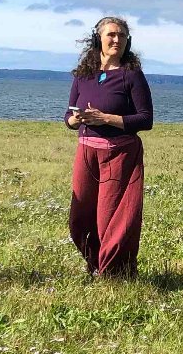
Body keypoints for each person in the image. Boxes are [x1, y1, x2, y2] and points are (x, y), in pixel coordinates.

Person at [64, 16, 154, 277]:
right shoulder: (83, 75)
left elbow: (145, 119)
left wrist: (106, 119)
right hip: (86, 151)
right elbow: (67, 118)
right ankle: (95, 265)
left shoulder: (132, 75)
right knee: (80, 217)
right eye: (111, 35)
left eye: (122, 36)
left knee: (112, 218)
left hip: (120, 153)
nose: (117, 40)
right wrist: (76, 119)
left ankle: (117, 273)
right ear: (98, 39)